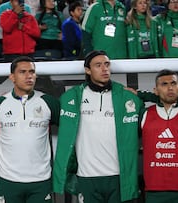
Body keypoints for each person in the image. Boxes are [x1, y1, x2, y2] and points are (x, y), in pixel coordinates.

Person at [53, 50, 144, 203]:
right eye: (98, 65)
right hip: (87, 176)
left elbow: (145, 126)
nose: (104, 69)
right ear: (88, 70)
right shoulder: (72, 97)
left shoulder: (127, 97)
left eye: (107, 64)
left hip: (119, 176)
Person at [0, 56, 60, 203]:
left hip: (41, 180)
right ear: (12, 77)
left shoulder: (48, 102)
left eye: (32, 72)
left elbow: (69, 129)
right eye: (22, 72)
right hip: (9, 180)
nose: (29, 76)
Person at [140, 69, 178, 203]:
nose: (170, 87)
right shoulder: (144, 114)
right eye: (164, 84)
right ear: (156, 90)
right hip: (154, 189)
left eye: (173, 83)